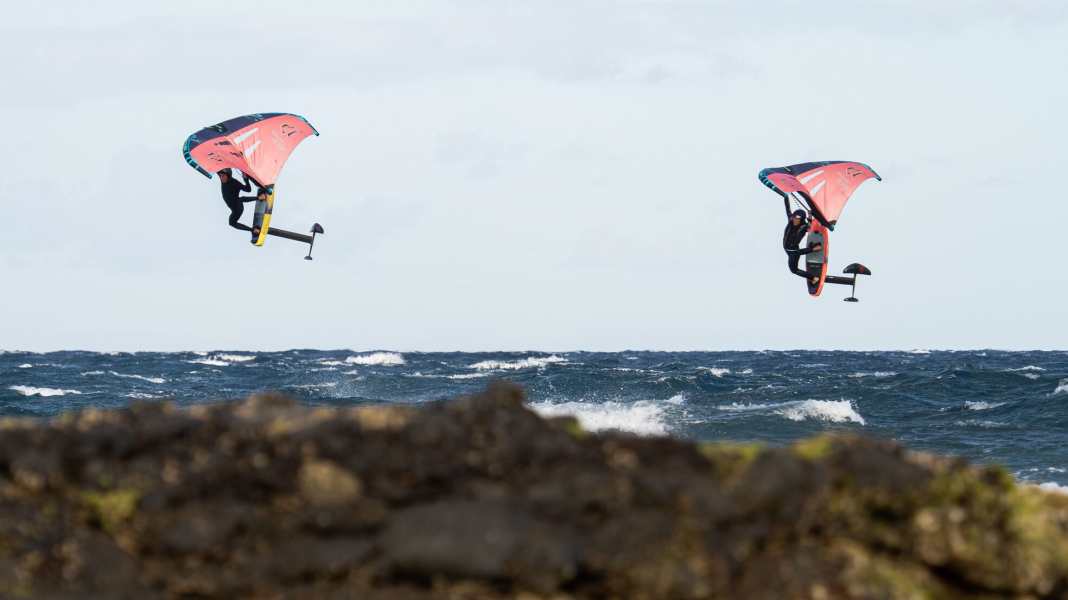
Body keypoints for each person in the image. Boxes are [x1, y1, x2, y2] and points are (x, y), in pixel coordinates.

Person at [782, 207, 822, 284]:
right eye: (794, 218)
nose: (795, 220)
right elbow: (787, 207)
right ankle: (814, 248)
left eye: (798, 219)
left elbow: (810, 227)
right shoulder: (791, 219)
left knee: (794, 270)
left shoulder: (804, 226)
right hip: (788, 250)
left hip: (793, 251)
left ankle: (814, 278)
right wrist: (785, 196)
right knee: (796, 253)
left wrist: (810, 215)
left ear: (801, 220)